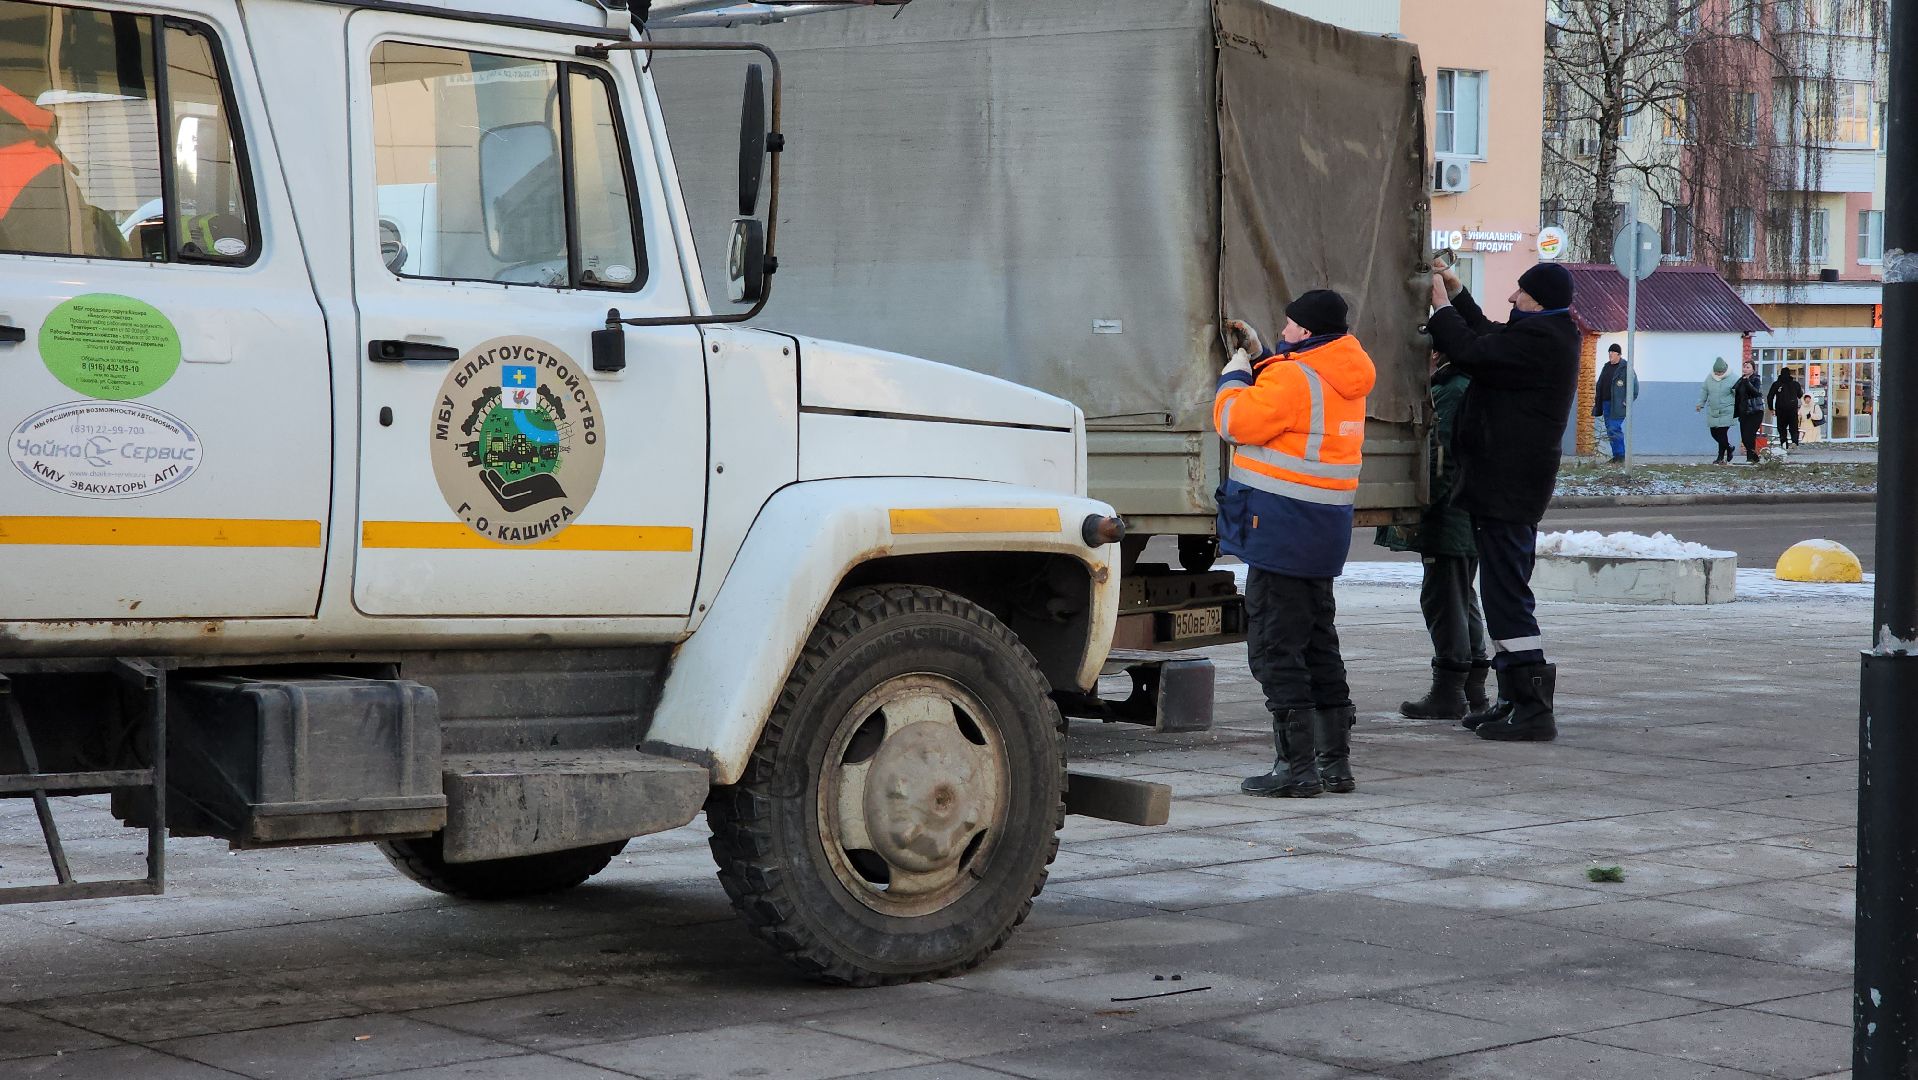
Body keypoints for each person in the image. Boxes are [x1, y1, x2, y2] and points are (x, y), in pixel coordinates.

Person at [1217, 290, 1376, 796]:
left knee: (1274, 649)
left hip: (1281, 529)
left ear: (1305, 332)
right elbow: (1299, 412)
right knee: (1317, 645)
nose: (1283, 332)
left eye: (1287, 327)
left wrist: (1237, 373)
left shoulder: (1291, 376)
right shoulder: (1345, 372)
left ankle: (1296, 770)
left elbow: (1233, 422)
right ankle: (1335, 764)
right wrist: (1268, 357)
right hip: (1322, 531)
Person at [1425, 262, 1579, 742]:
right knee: (1499, 596)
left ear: (1539, 299)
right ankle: (1513, 698)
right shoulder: (1542, 334)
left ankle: (1532, 708)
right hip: (1503, 487)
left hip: (1509, 489)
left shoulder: (1545, 341)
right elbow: (1489, 336)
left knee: (1508, 597)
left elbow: (1472, 350)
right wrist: (1459, 293)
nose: (1512, 297)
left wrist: (1441, 308)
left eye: (1521, 291)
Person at [1376, 349, 1491, 718]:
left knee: (1443, 600)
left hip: (1449, 516)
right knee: (1460, 598)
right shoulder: (1463, 384)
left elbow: (1439, 461)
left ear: (1436, 353)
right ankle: (1471, 691)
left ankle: (1450, 691)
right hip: (1465, 512)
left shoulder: (1451, 390)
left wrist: (1414, 507)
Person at [1591, 343, 1638, 463]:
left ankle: (1621, 456)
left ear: (1619, 354)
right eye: (1609, 352)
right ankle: (1616, 456)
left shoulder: (1626, 368)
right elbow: (1601, 383)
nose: (1610, 354)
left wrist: (1627, 400)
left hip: (1618, 405)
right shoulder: (1606, 367)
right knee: (1610, 430)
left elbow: (1635, 387)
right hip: (1606, 403)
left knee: (1614, 427)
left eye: (1613, 352)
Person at [1697, 357, 1738, 464]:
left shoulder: (1733, 378)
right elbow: (1704, 391)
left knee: (1722, 433)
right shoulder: (1710, 378)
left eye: (1720, 372)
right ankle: (1729, 448)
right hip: (1713, 410)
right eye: (1716, 372)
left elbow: (1738, 393)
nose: (1718, 374)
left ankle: (1720, 457)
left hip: (1727, 410)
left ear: (1725, 370)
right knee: (1714, 433)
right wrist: (1700, 404)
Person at [1733, 357, 1765, 464]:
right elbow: (1734, 389)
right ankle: (1753, 457)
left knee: (1749, 435)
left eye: (1748, 367)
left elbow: (1756, 392)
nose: (1745, 369)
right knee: (1744, 436)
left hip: (1755, 411)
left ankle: (1751, 457)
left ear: (1753, 369)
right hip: (1744, 412)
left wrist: (1747, 382)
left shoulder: (1756, 379)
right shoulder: (1742, 379)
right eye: (1744, 367)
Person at [1769, 367, 1804, 449]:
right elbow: (1800, 395)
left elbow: (1770, 397)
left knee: (1781, 428)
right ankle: (1794, 441)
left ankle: (1784, 443)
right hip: (1792, 409)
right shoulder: (1795, 384)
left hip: (1780, 409)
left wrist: (1771, 408)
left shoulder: (1776, 384)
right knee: (1793, 427)